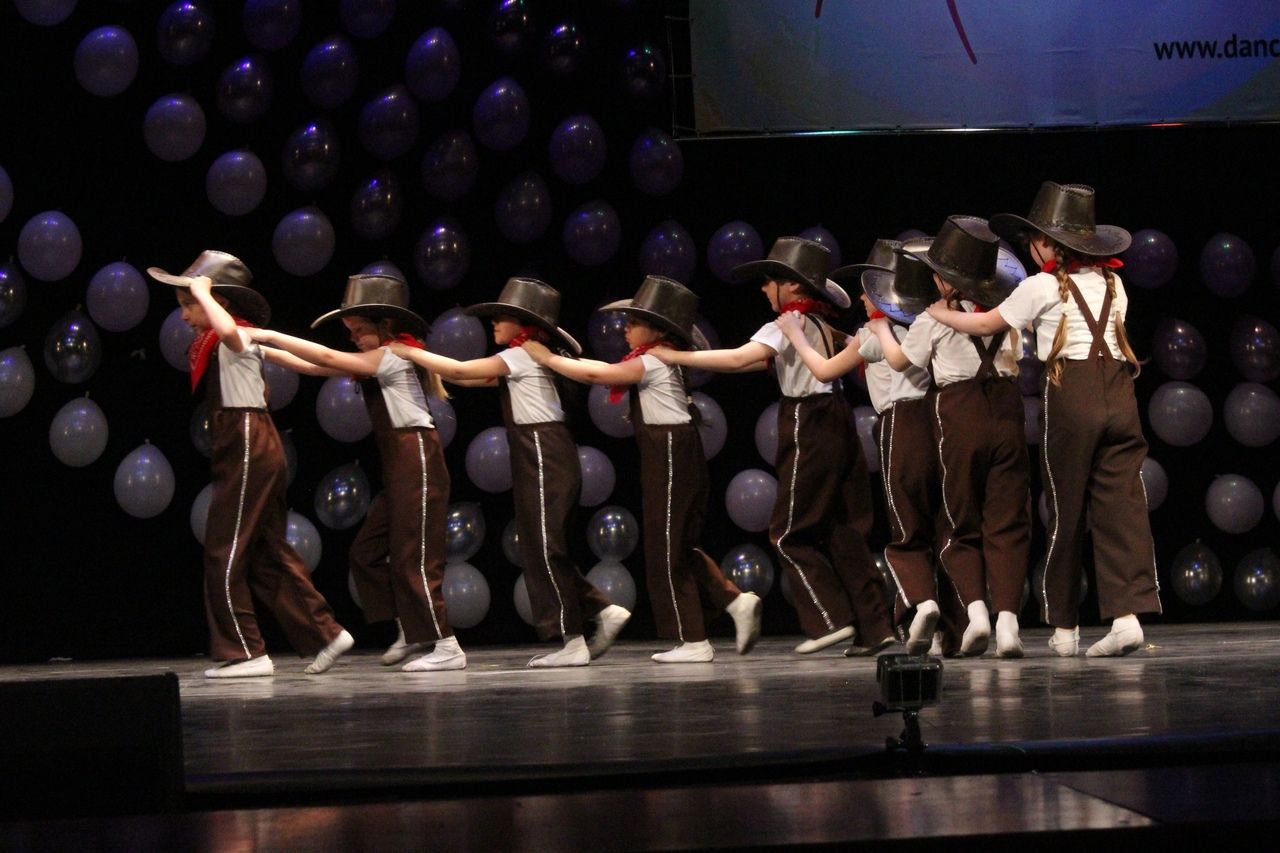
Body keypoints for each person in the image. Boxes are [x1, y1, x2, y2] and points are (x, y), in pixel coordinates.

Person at [929, 182, 1159, 657]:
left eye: (1034, 239)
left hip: (1072, 393)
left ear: (1047, 244)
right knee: (1122, 506)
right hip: (1121, 393)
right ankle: (1127, 617)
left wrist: (941, 315)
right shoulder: (1114, 284)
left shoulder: (1040, 286)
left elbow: (986, 323)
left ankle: (1065, 628)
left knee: (1065, 506)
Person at [654, 237, 895, 656]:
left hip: (808, 421)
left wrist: (676, 358)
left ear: (794, 286)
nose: (764, 289)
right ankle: (876, 628)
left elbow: (736, 358)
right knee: (844, 529)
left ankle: (829, 619)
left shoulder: (788, 323)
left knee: (787, 533)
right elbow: (752, 362)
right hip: (838, 417)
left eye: (770, 281)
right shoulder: (819, 323)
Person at [523, 275, 764, 663]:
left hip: (669, 453)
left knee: (665, 548)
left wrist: (548, 359)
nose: (625, 328)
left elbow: (597, 375)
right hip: (675, 452)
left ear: (658, 330)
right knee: (678, 544)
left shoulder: (651, 362)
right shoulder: (657, 360)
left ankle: (693, 640)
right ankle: (733, 601)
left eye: (634, 322)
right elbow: (604, 370)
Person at [390, 278, 629, 667]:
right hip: (542, 454)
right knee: (540, 544)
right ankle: (600, 609)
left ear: (523, 324)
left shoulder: (520, 356)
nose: (494, 323)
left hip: (543, 453)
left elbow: (459, 369)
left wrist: (409, 351)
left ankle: (574, 640)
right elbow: (467, 377)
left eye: (502, 317)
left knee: (544, 545)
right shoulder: (524, 358)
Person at [148, 251, 352, 678]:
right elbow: (303, 364)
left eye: (188, 305)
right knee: (265, 549)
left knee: (224, 550)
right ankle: (325, 633)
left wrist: (203, 292)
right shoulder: (238, 339)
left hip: (247, 442)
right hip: (254, 442)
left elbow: (231, 331)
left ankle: (245, 653)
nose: (185, 316)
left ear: (217, 302)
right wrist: (338, 369)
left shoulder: (233, 335)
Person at [249, 273, 465, 672]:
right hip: (399, 466)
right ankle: (412, 628)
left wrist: (268, 335)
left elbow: (329, 359)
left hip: (418, 459)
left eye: (359, 330)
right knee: (365, 552)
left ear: (385, 326)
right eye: (350, 332)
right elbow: (315, 367)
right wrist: (257, 349)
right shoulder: (374, 360)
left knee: (414, 557)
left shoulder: (393, 355)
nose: (353, 338)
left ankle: (447, 645)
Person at [779, 240, 959, 656]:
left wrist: (796, 336)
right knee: (942, 525)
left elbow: (824, 369)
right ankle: (952, 629)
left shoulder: (874, 332)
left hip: (901, 425)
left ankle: (920, 604)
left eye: (868, 289)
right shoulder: (927, 323)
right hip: (938, 423)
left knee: (906, 527)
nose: (862, 297)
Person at [868, 217, 1031, 658]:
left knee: (960, 519)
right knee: (1008, 520)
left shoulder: (932, 316)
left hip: (960, 411)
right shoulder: (1005, 311)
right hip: (1007, 407)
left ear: (943, 279)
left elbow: (902, 362)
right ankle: (1009, 624)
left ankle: (976, 614)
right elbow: (1017, 351)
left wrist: (882, 329)